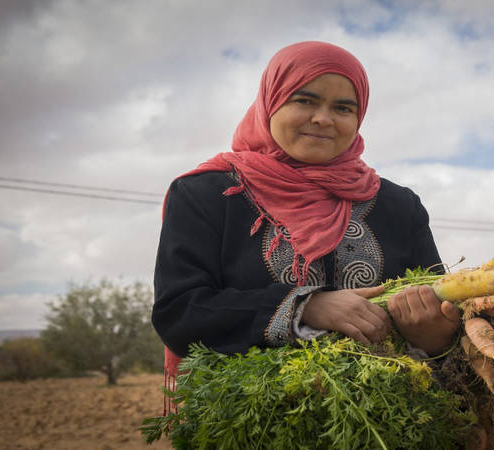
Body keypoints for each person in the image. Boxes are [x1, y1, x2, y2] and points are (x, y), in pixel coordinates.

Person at [152, 41, 461, 388]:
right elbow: (180, 312)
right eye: (305, 100)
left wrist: (435, 336)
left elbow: (437, 305)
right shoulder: (207, 194)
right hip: (258, 428)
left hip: (391, 425)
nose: (323, 119)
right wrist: (306, 308)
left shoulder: (399, 206)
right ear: (271, 101)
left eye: (343, 108)